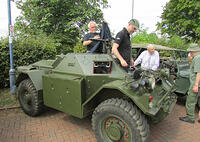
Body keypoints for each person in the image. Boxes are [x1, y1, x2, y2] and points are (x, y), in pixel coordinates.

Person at [179, 43, 200, 124]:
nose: (190, 53)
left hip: (196, 83)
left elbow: (198, 72)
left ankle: (190, 117)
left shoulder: (197, 58)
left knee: (190, 101)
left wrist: (195, 85)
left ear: (193, 51)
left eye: (190, 51)